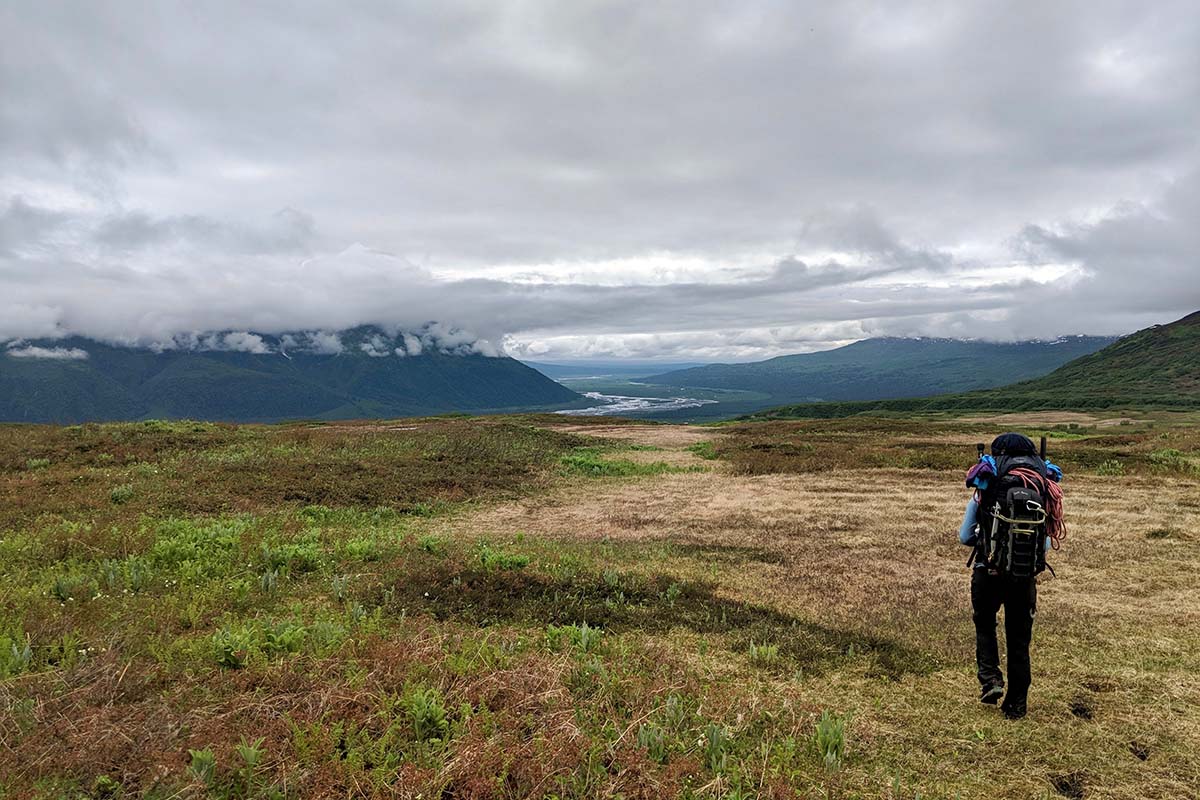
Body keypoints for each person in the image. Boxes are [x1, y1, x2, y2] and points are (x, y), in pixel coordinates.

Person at [957, 432, 1063, 720]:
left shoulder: (988, 486)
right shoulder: (1043, 488)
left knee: (985, 624)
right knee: (1019, 638)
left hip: (987, 571)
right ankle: (1017, 704)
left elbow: (965, 536)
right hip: (1024, 575)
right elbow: (1045, 542)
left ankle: (990, 680)